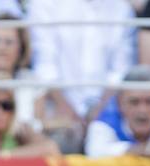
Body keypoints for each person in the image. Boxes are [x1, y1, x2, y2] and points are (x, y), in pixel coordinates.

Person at [29, 0, 134, 146]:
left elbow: (121, 70)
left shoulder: (122, 8)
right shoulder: (44, 4)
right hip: (56, 108)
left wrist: (99, 112)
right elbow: (44, 65)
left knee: (104, 145)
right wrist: (66, 110)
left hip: (107, 110)